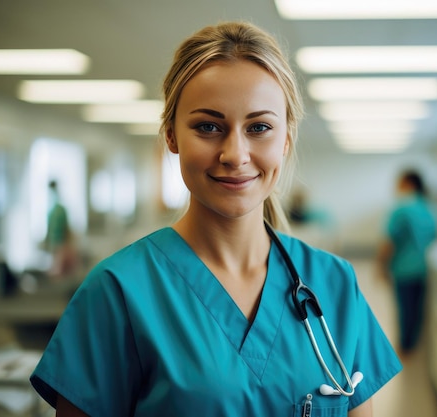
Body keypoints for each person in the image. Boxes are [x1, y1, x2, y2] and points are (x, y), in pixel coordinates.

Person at [30, 21, 401, 416]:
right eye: (208, 127)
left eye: (259, 127)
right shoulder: (117, 292)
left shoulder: (334, 284)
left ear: (286, 138)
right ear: (171, 135)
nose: (235, 154)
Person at [377, 169, 437, 356]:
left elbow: (389, 241)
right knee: (417, 311)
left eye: (399, 183)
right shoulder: (428, 209)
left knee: (405, 310)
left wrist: (380, 265)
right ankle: (414, 346)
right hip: (424, 268)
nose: (396, 188)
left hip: (404, 269)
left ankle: (405, 348)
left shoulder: (401, 209)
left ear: (409, 184)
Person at [45, 180, 77, 277]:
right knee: (56, 268)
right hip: (56, 243)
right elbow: (50, 229)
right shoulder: (52, 210)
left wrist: (67, 244)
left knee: (59, 270)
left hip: (61, 244)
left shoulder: (59, 209)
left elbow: (66, 228)